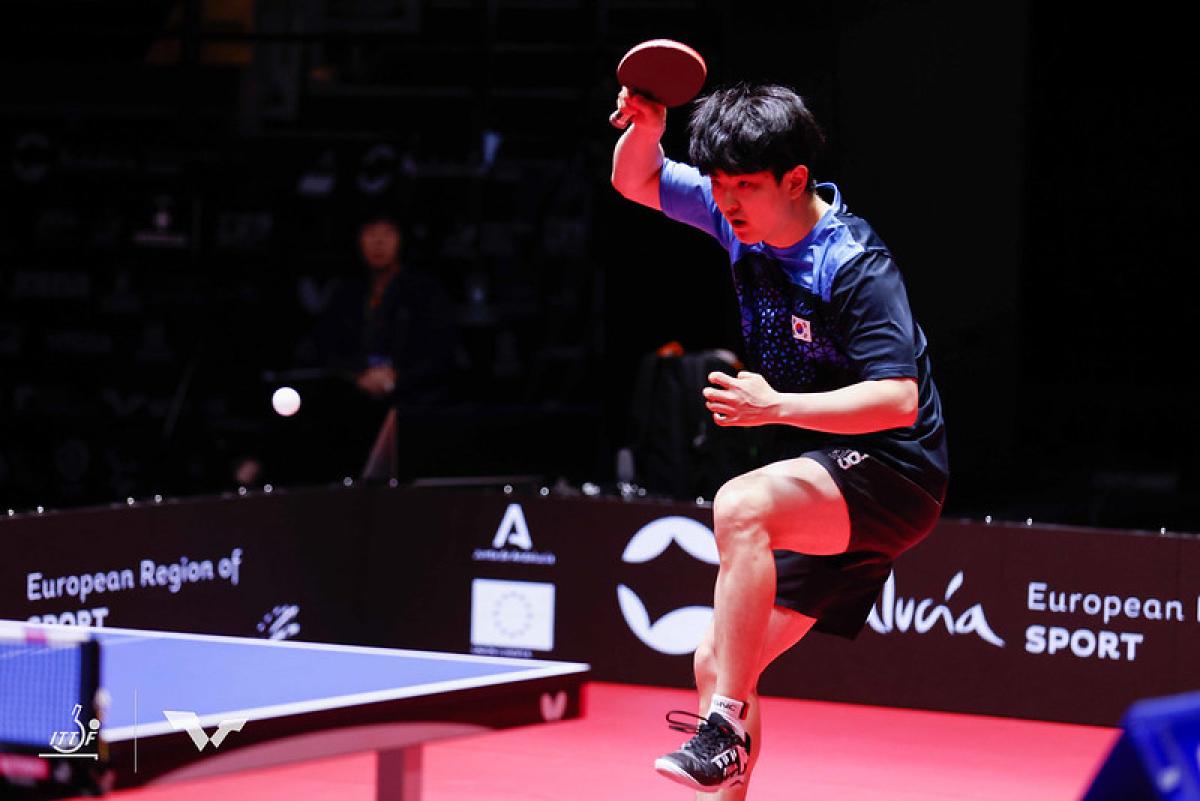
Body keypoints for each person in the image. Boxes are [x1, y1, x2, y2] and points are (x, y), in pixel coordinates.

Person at [611, 83, 949, 797]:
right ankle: (725, 733)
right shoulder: (738, 218)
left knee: (740, 505)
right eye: (717, 184)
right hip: (833, 474)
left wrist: (775, 405)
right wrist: (646, 127)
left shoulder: (854, 264)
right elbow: (633, 178)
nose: (727, 202)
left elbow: (897, 400)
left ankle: (724, 728)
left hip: (898, 468)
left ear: (795, 180)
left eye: (745, 187)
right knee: (717, 659)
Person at [301, 211, 458, 478]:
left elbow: (438, 351)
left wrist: (396, 377)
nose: (379, 243)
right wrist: (358, 375)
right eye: (371, 234)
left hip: (411, 394)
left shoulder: (424, 290)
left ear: (401, 240)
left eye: (387, 234)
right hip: (355, 392)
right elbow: (325, 347)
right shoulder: (345, 292)